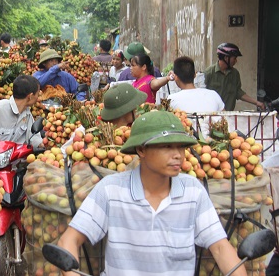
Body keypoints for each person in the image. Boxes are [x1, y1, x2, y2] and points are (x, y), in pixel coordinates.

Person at [57, 111, 246, 276]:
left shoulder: (193, 191)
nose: (178, 155)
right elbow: (68, 241)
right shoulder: (110, 190)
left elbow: (221, 248)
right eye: (166, 146)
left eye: (181, 146)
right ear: (141, 150)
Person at [204, 43, 265, 111]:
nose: (236, 61)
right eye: (234, 58)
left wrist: (257, 103)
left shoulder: (235, 74)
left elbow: (238, 92)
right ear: (226, 58)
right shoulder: (208, 73)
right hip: (211, 117)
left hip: (229, 116)